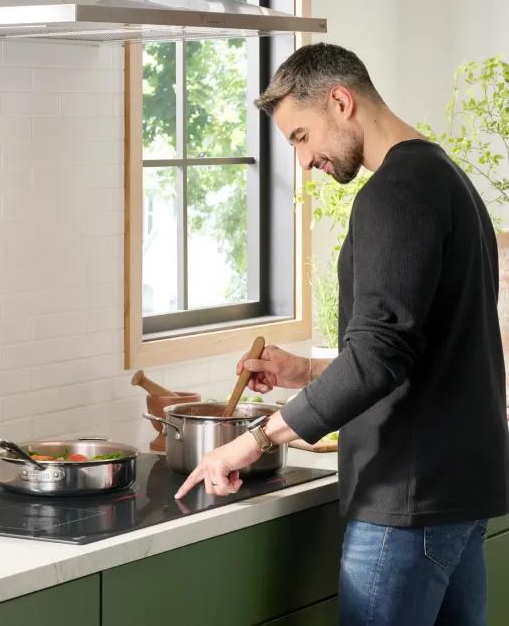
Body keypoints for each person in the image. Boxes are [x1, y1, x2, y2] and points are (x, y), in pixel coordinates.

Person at [174, 43, 509, 625]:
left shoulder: (393, 194)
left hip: (404, 501)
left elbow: (379, 358)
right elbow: (417, 348)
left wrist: (255, 439)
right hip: (454, 492)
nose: (303, 161)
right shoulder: (446, 178)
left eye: (301, 137)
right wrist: (305, 373)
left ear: (340, 101)